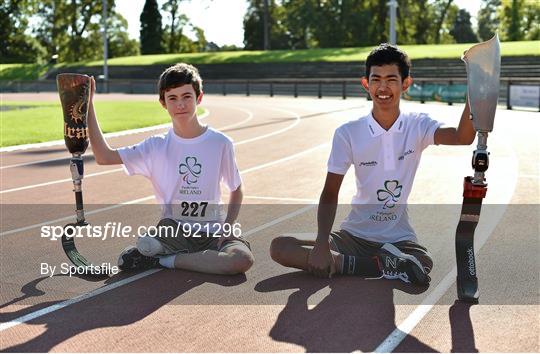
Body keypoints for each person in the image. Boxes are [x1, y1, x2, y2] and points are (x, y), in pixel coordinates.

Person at [270, 43, 475, 284]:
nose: (383, 87)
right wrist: (323, 242)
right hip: (352, 237)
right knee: (280, 246)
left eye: (391, 79)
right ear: (366, 84)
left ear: (406, 84)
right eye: (376, 79)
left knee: (423, 261)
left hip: (397, 239)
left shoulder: (417, 126)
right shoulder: (348, 133)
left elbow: (464, 137)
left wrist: (477, 88)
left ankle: (344, 264)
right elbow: (330, 191)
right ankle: (379, 265)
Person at [87, 63, 254, 275]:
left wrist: (228, 226)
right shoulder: (155, 146)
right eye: (172, 98)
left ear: (199, 98)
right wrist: (88, 106)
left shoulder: (220, 143)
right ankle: (164, 250)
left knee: (241, 260)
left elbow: (236, 188)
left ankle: (162, 259)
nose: (180, 104)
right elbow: (103, 156)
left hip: (214, 232)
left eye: (186, 96)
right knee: (153, 242)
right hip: (174, 230)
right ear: (163, 103)